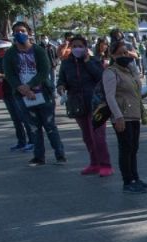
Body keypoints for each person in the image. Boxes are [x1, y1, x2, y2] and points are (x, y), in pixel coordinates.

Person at [2, 21, 66, 167]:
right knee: (33, 128)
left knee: (50, 126)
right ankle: (39, 157)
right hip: (22, 96)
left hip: (43, 94)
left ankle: (60, 155)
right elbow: (9, 74)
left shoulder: (38, 50)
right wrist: (22, 89)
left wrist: (30, 86)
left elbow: (44, 71)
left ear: (29, 33)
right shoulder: (10, 54)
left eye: (22, 31)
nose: (20, 34)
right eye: (16, 31)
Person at [57, 35, 112, 177]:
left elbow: (101, 77)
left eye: (80, 46)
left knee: (98, 136)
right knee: (87, 136)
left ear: (85, 47)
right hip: (78, 104)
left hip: (96, 103)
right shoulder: (66, 63)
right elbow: (62, 79)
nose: (76, 49)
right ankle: (94, 163)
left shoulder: (94, 61)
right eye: (74, 46)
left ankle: (105, 164)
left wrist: (88, 62)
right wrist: (61, 86)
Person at [104, 40, 147, 194]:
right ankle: (127, 180)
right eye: (120, 53)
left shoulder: (130, 70)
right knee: (125, 148)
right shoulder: (110, 72)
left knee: (133, 148)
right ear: (112, 55)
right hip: (122, 116)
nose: (124, 56)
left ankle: (135, 178)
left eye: (126, 52)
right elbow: (110, 97)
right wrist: (118, 117)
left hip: (134, 114)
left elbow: (135, 92)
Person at [0, 39, 34, 152]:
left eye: (3, 49)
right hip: (6, 92)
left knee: (24, 118)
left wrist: (2, 75)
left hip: (17, 92)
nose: (1, 51)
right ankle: (21, 142)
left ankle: (32, 141)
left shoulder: (16, 58)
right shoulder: (1, 60)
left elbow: (18, 74)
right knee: (16, 119)